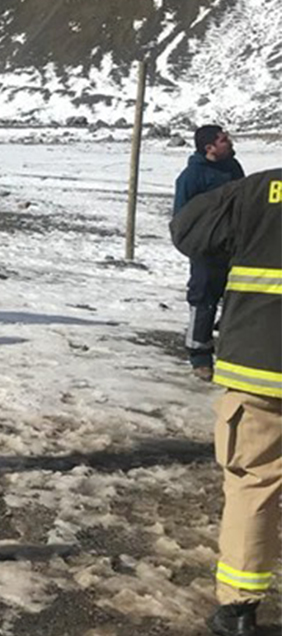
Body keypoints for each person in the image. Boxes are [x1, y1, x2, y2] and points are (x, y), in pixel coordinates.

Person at [170, 168, 281, 636]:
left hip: (261, 363)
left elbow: (189, 229)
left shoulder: (260, 189)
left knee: (254, 484)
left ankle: (238, 609)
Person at [173, 125, 245, 381]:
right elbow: (182, 220)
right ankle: (199, 356)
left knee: (237, 298)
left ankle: (231, 351)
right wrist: (197, 246)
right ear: (209, 148)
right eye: (224, 140)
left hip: (234, 247)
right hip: (206, 249)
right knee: (203, 300)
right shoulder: (191, 177)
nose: (230, 143)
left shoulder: (233, 169)